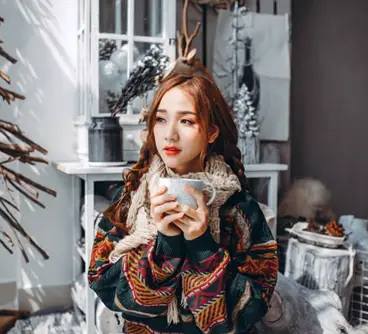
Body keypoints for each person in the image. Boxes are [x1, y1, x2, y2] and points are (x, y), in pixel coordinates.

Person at [88, 73, 278, 334]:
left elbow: (253, 308)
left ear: (211, 131)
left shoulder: (240, 210)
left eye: (186, 121)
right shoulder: (129, 198)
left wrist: (203, 247)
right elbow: (105, 286)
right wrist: (165, 245)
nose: (170, 134)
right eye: (161, 119)